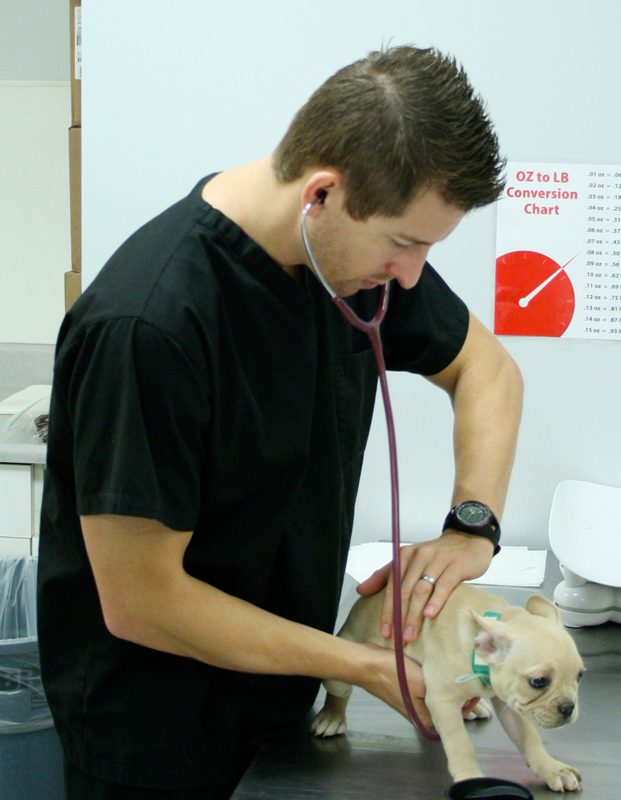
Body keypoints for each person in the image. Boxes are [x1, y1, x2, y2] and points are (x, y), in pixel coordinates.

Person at [37, 44, 523, 799]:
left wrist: (470, 525)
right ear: (321, 193)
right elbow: (142, 603)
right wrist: (364, 665)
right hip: (154, 735)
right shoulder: (150, 325)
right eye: (404, 242)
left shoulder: (347, 264)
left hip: (281, 700)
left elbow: (487, 371)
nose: (413, 274)